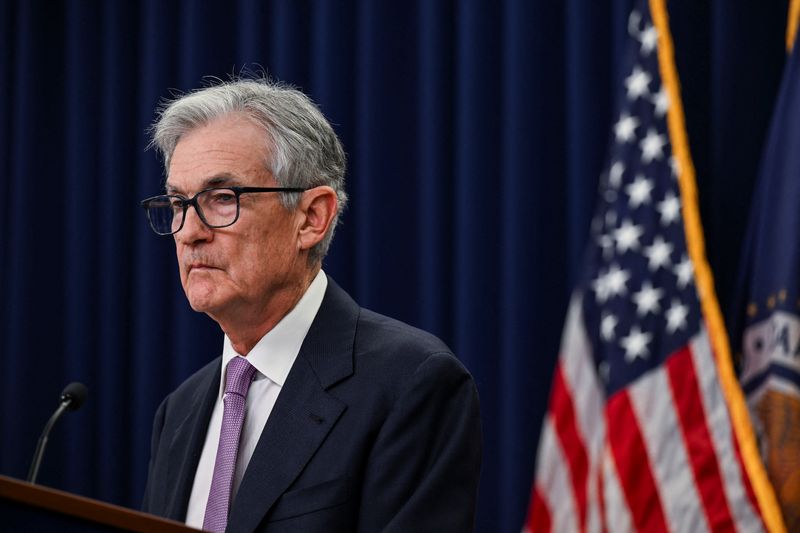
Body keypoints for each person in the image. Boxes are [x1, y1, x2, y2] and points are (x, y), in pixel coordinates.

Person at [139, 77, 482, 533]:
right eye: (179, 202)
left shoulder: (412, 383)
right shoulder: (178, 412)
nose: (188, 231)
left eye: (221, 199)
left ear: (311, 218)